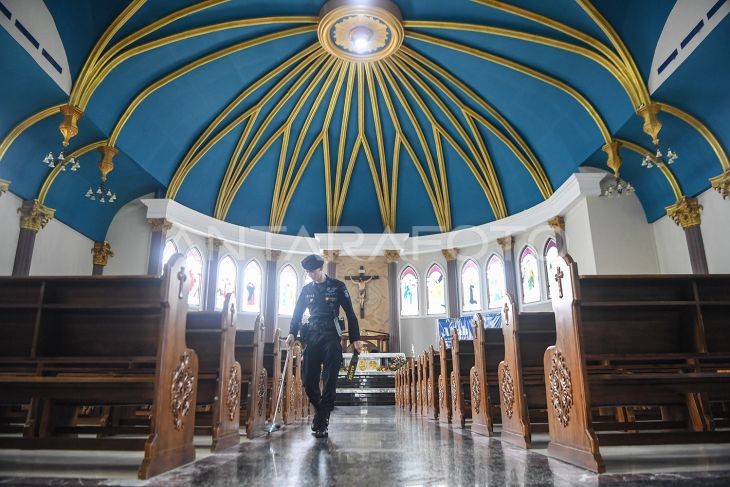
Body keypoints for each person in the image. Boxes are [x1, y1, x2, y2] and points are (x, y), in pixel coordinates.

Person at [286, 254, 362, 438]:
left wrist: (355, 338)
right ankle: (322, 412)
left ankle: (322, 422)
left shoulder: (338, 286)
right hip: (312, 335)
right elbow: (297, 313)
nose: (310, 275)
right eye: (308, 272)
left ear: (322, 268)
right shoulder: (306, 290)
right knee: (308, 379)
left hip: (331, 336)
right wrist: (292, 332)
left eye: (313, 271)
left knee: (330, 379)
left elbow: (350, 313)